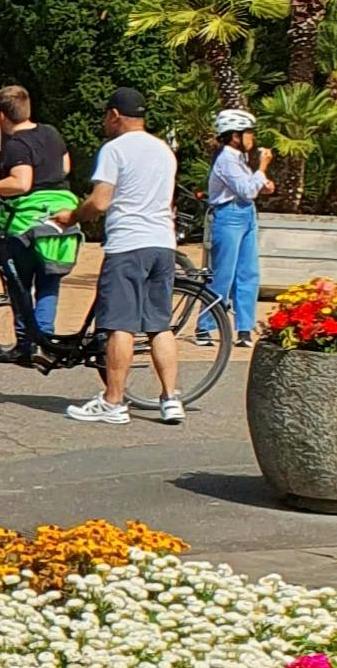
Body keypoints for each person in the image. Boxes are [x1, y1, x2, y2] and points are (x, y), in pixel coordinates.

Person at [48, 86, 183, 426]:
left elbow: (101, 201)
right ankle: (170, 398)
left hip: (128, 244)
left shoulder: (115, 149)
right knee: (158, 325)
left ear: (114, 115)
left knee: (119, 324)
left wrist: (73, 216)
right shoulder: (164, 150)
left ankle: (114, 401)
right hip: (162, 242)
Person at [0, 84, 77, 357]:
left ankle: (26, 343)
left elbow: (21, 182)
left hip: (27, 221)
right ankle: (45, 339)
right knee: (49, 279)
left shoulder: (15, 144)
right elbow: (65, 166)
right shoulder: (51, 132)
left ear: (1, 115)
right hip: (61, 217)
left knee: (19, 282)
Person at [200, 109, 271, 350]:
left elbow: (249, 188)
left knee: (248, 273)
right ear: (234, 136)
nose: (252, 138)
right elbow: (246, 189)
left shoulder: (238, 159)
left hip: (246, 213)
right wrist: (262, 169)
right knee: (224, 274)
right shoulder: (226, 159)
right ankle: (205, 326)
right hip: (229, 215)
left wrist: (262, 182)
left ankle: (244, 328)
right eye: (248, 133)